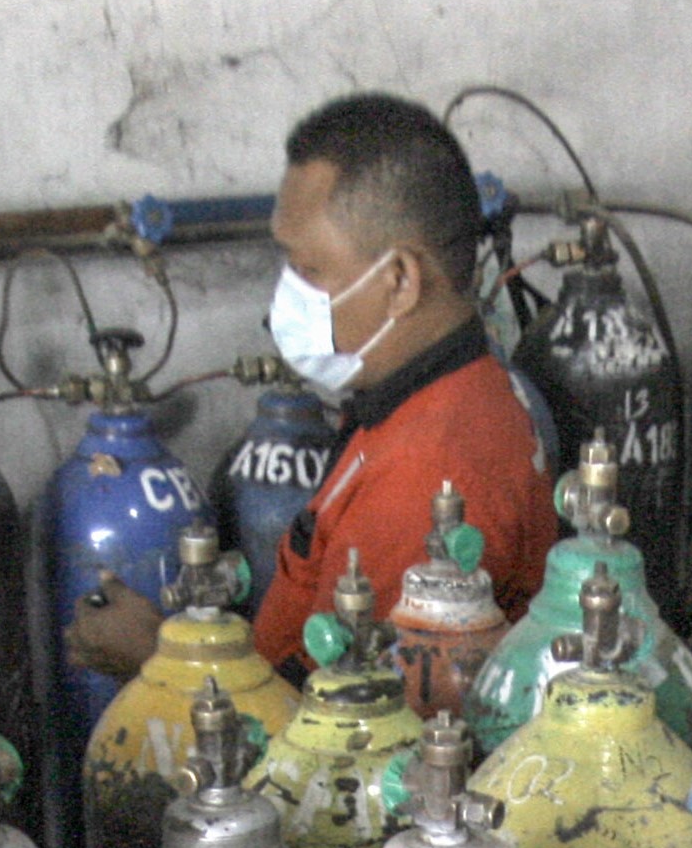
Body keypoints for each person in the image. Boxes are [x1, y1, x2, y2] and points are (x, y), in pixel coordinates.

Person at [69, 93, 558, 683]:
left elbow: (345, 744)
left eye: (308, 270)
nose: (285, 300)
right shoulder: (433, 399)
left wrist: (158, 666)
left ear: (400, 280)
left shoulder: (429, 481)